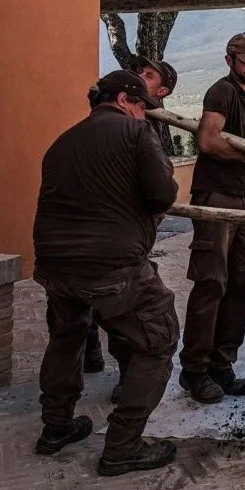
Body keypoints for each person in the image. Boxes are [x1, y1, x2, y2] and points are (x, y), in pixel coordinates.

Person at [33, 70, 179, 476]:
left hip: (55, 266)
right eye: (141, 107)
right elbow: (162, 194)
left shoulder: (61, 142)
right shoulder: (135, 135)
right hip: (110, 265)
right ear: (124, 100)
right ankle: (123, 446)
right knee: (158, 339)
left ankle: (56, 427)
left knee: (66, 337)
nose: (143, 115)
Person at [178, 33, 245, 403]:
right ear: (229, 59)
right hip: (216, 194)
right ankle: (195, 369)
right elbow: (207, 140)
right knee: (211, 281)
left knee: (241, 281)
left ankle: (223, 363)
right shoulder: (220, 92)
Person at [84, 55, 179, 394]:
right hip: (108, 238)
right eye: (140, 73)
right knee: (126, 308)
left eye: (149, 76)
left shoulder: (141, 129)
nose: (140, 76)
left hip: (112, 236)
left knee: (107, 302)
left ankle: (115, 371)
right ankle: (107, 368)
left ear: (162, 90)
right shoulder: (131, 128)